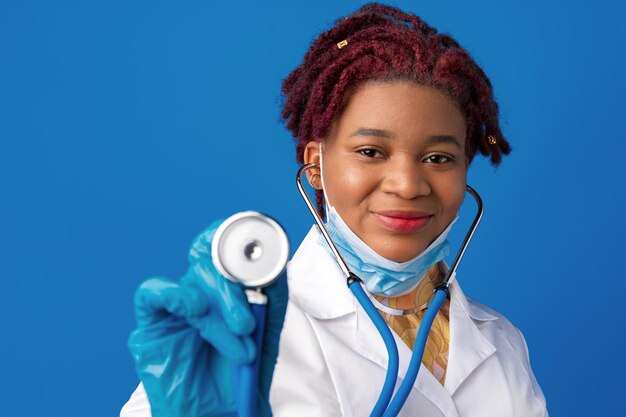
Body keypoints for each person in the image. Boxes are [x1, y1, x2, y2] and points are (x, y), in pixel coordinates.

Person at [121, 3, 548, 416]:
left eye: (438, 158)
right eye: (370, 151)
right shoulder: (240, 333)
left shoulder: (503, 342)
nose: (408, 185)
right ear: (315, 166)